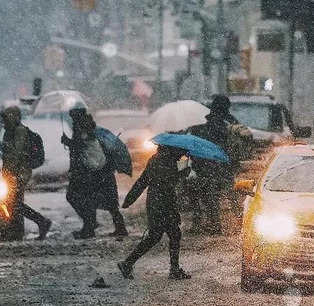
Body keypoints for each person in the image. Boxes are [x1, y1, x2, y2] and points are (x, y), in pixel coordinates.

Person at [118, 145, 191, 280]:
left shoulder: (157, 159)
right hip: (162, 203)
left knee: (167, 235)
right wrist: (182, 173)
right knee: (161, 236)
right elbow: (167, 183)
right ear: (173, 149)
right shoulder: (166, 161)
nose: (182, 155)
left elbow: (143, 181)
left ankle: (129, 263)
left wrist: (130, 199)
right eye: (181, 151)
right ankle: (128, 263)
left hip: (157, 202)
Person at [188, 94, 251, 234]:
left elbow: (197, 140)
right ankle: (241, 221)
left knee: (209, 194)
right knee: (231, 193)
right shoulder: (230, 120)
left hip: (206, 163)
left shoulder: (205, 120)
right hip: (225, 162)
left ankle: (214, 223)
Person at [63, 109, 128, 239]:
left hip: (90, 172)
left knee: (80, 198)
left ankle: (89, 227)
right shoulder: (91, 127)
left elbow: (80, 146)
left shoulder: (81, 127)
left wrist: (68, 142)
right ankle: (118, 227)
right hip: (103, 172)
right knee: (108, 203)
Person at [0, 106, 52, 241]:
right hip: (10, 172)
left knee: (14, 203)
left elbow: (16, 153)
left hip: (19, 172)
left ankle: (41, 221)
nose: (5, 120)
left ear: (15, 117)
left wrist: (3, 148)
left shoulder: (20, 131)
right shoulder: (9, 132)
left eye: (7, 117)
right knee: (13, 202)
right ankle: (17, 231)